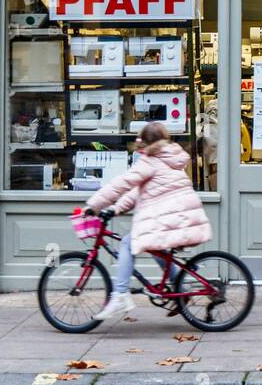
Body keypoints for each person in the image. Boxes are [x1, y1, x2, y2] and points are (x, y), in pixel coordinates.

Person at [85, 121, 212, 321]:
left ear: (144, 142)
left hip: (170, 217)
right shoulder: (169, 157)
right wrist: (115, 208)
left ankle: (119, 296)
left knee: (129, 243)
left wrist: (93, 205)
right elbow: (139, 191)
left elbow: (122, 184)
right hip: (179, 216)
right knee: (156, 246)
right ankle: (182, 288)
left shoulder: (150, 161)